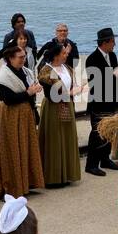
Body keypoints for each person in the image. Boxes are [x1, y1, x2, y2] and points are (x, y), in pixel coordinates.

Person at [0, 44, 46, 199]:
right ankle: (13, 184)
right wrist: (28, 92)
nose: (23, 60)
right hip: (10, 115)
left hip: (25, 113)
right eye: (20, 57)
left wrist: (33, 92)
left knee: (26, 147)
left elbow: (29, 92)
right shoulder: (3, 77)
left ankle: (26, 182)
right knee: (12, 148)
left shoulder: (25, 71)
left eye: (24, 57)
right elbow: (7, 99)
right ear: (10, 58)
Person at [38, 41, 84, 189]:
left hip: (67, 105)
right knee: (54, 140)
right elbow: (55, 92)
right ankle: (53, 177)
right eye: (64, 53)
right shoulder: (46, 70)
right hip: (53, 107)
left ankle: (67, 174)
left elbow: (69, 86)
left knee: (67, 138)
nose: (66, 55)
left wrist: (74, 90)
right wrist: (72, 92)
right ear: (56, 55)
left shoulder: (67, 68)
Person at [84, 27, 118, 176]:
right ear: (105, 42)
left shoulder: (112, 56)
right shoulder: (91, 59)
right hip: (99, 102)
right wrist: (114, 75)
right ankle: (91, 164)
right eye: (113, 41)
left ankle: (105, 159)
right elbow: (95, 83)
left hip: (112, 100)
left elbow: (117, 76)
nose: (114, 44)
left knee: (110, 131)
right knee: (97, 133)